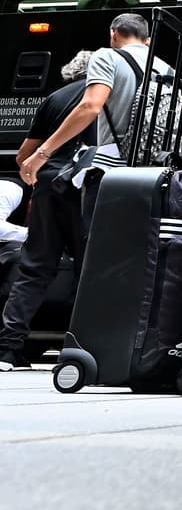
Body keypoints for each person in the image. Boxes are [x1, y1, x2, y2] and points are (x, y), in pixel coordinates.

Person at [17, 14, 173, 236]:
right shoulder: (166, 69)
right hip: (152, 171)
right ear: (147, 40)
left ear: (113, 33)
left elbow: (90, 106)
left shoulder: (107, 56)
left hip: (112, 171)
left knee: (98, 246)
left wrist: (43, 153)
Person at [0, 51, 96, 371]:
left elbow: (23, 156)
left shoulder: (54, 97)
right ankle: (80, 348)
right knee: (90, 269)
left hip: (48, 186)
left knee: (34, 268)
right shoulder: (107, 98)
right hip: (87, 188)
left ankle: (8, 349)